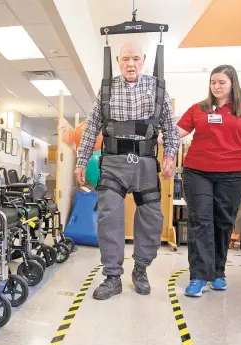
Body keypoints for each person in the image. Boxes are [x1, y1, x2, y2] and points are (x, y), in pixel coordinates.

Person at [74, 42, 180, 299]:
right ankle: (112, 277)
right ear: (118, 61)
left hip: (144, 165)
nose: (130, 63)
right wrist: (81, 161)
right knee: (108, 217)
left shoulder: (157, 88)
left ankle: (141, 269)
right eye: (125, 59)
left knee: (152, 218)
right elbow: (91, 129)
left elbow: (170, 126)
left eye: (135, 58)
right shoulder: (107, 89)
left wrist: (169, 155)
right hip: (113, 164)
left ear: (142, 60)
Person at [177, 65, 241, 297]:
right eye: (213, 82)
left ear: (232, 85)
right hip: (198, 171)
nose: (216, 86)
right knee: (200, 221)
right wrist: (154, 137)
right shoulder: (198, 109)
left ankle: (218, 273)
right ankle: (198, 276)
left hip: (232, 173)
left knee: (223, 222)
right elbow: (176, 132)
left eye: (221, 82)